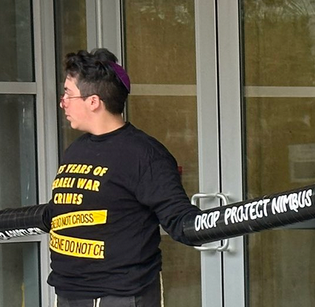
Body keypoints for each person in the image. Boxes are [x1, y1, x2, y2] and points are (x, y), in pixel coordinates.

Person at [50, 48, 202, 307]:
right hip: (70, 292)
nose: (62, 101)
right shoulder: (76, 149)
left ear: (93, 101)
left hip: (121, 295)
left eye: (67, 93)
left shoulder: (144, 155)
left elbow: (179, 219)